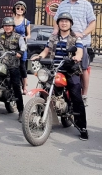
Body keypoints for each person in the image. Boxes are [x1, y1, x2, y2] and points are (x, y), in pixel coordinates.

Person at [32, 12, 88, 141]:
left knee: (76, 96)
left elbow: (79, 51)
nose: (64, 23)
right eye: (61, 21)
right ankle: (42, 117)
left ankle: (83, 127)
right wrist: (39, 56)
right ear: (58, 23)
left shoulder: (75, 39)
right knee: (43, 90)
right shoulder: (53, 38)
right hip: (54, 69)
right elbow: (46, 51)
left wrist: (77, 57)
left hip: (70, 71)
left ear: (70, 24)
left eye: (66, 21)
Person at [53, 0, 96, 107]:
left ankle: (84, 95)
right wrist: (55, 30)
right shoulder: (63, 4)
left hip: (80, 42)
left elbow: (92, 23)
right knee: (56, 64)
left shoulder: (86, 5)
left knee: (82, 69)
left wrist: (82, 33)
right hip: (63, 40)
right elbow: (56, 20)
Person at [0, 17, 25, 122]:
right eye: (5, 26)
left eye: (9, 26)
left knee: (16, 86)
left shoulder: (18, 37)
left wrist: (20, 52)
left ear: (13, 27)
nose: (7, 27)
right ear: (3, 27)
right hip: (0, 62)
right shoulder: (0, 35)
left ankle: (21, 111)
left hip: (13, 64)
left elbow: (23, 46)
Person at [13, 1, 30, 95]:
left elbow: (29, 35)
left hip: (22, 45)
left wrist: (25, 38)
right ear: (15, 9)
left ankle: (24, 86)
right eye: (18, 8)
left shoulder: (26, 22)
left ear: (24, 11)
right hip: (12, 44)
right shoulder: (11, 20)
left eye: (22, 9)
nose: (19, 10)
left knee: (22, 66)